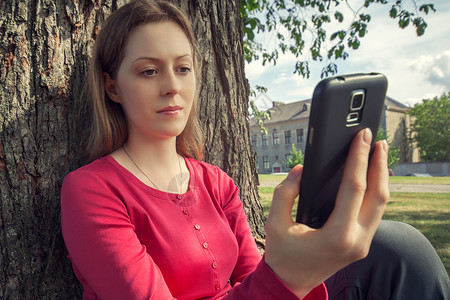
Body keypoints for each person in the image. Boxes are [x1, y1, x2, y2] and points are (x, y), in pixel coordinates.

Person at [61, 0, 450, 299]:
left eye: (182, 68)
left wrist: (296, 261)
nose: (172, 86)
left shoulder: (216, 182)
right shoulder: (91, 190)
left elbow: (252, 276)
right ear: (112, 87)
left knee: (401, 249)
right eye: (149, 71)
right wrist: (288, 274)